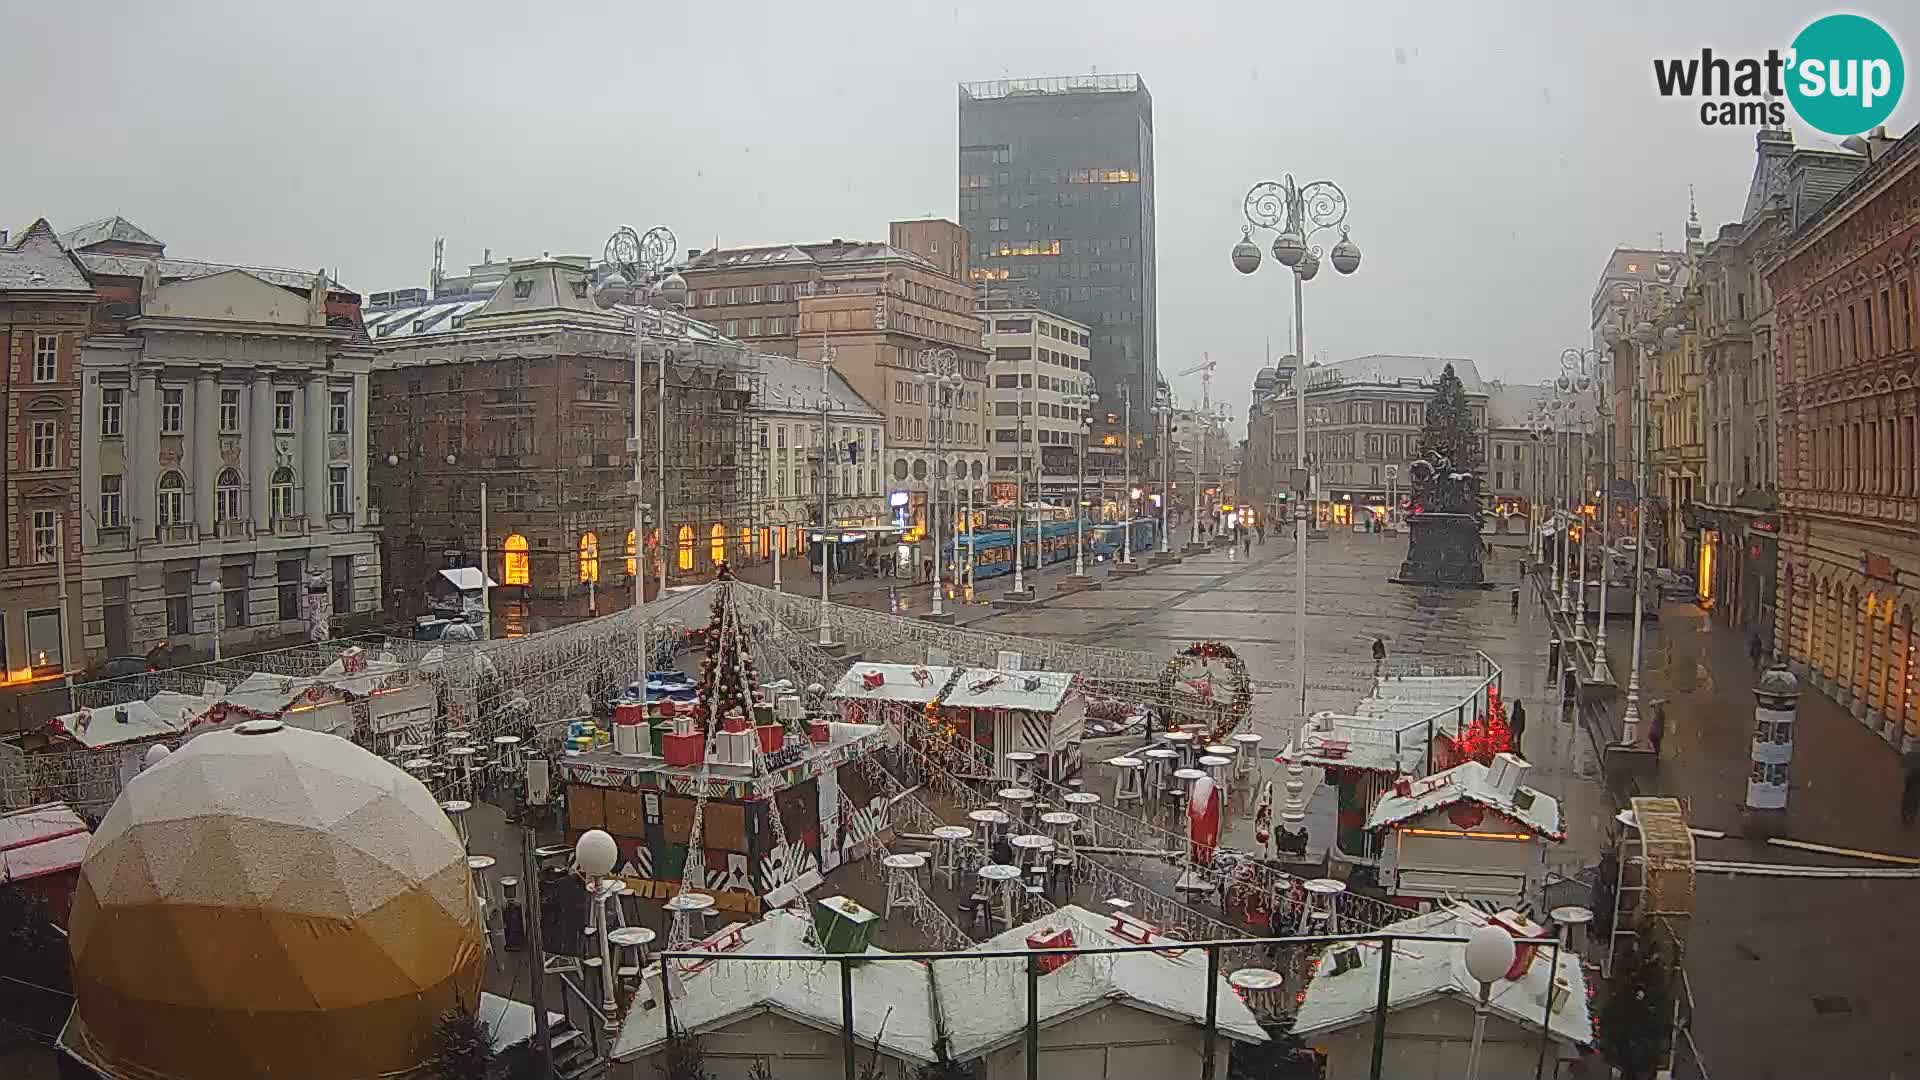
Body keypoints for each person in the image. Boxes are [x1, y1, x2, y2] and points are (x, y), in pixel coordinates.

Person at [1902, 748, 1920, 826]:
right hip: (1916, 781)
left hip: (1910, 779)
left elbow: (1903, 764)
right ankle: (1911, 814)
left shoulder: (1911, 754)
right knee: (1915, 797)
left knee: (1907, 795)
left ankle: (1905, 813)